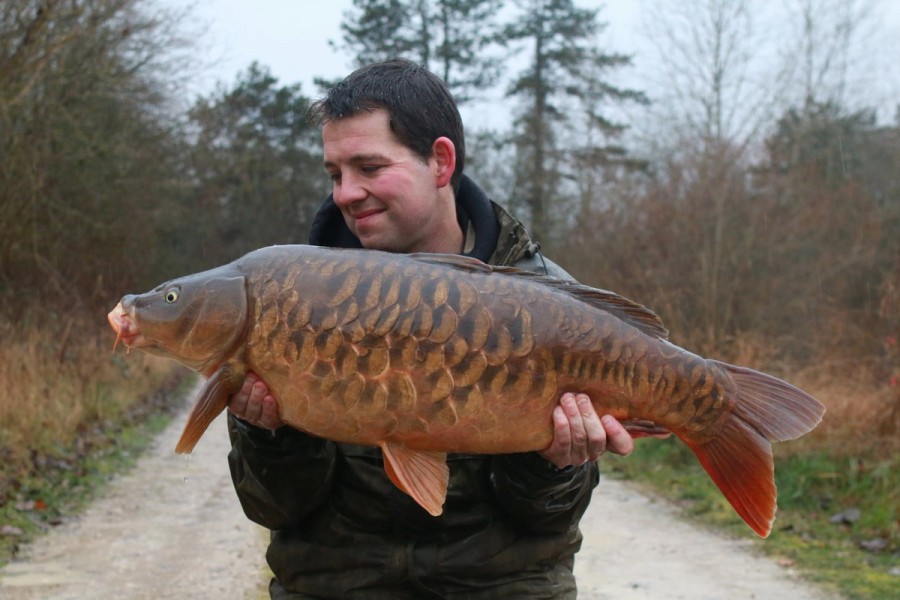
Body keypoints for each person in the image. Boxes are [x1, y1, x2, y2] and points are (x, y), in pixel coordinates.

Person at [226, 59, 633, 600]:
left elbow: (547, 523)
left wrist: (554, 464)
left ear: (440, 162)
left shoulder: (550, 305)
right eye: (335, 174)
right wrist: (268, 434)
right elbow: (275, 508)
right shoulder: (289, 303)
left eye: (369, 168)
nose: (346, 193)